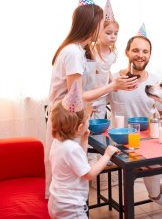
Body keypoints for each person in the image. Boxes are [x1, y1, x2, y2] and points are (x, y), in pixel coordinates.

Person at [45, 4, 137, 197]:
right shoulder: (73, 53)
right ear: (92, 25)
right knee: (66, 175)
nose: (102, 29)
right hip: (66, 117)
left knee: (70, 170)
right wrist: (113, 86)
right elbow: (76, 95)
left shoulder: (77, 50)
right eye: (101, 24)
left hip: (69, 116)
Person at [109, 33, 162, 207]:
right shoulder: (113, 79)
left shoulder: (155, 82)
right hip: (122, 141)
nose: (140, 55)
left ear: (150, 55)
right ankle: (157, 196)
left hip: (148, 138)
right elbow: (96, 104)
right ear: (127, 52)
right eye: (136, 50)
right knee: (148, 163)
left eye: (145, 51)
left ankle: (159, 192)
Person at [48, 81, 119, 219]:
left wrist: (84, 140)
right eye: (87, 119)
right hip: (71, 208)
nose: (89, 122)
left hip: (57, 203)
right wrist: (107, 155)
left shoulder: (58, 143)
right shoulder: (72, 149)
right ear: (80, 127)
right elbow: (88, 174)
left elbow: (78, 163)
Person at [84, 0, 119, 119]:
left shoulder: (112, 54)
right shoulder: (92, 50)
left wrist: (112, 82)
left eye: (115, 33)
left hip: (103, 94)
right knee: (87, 120)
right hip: (90, 93)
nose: (113, 36)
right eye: (108, 33)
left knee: (99, 121)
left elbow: (107, 69)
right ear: (99, 31)